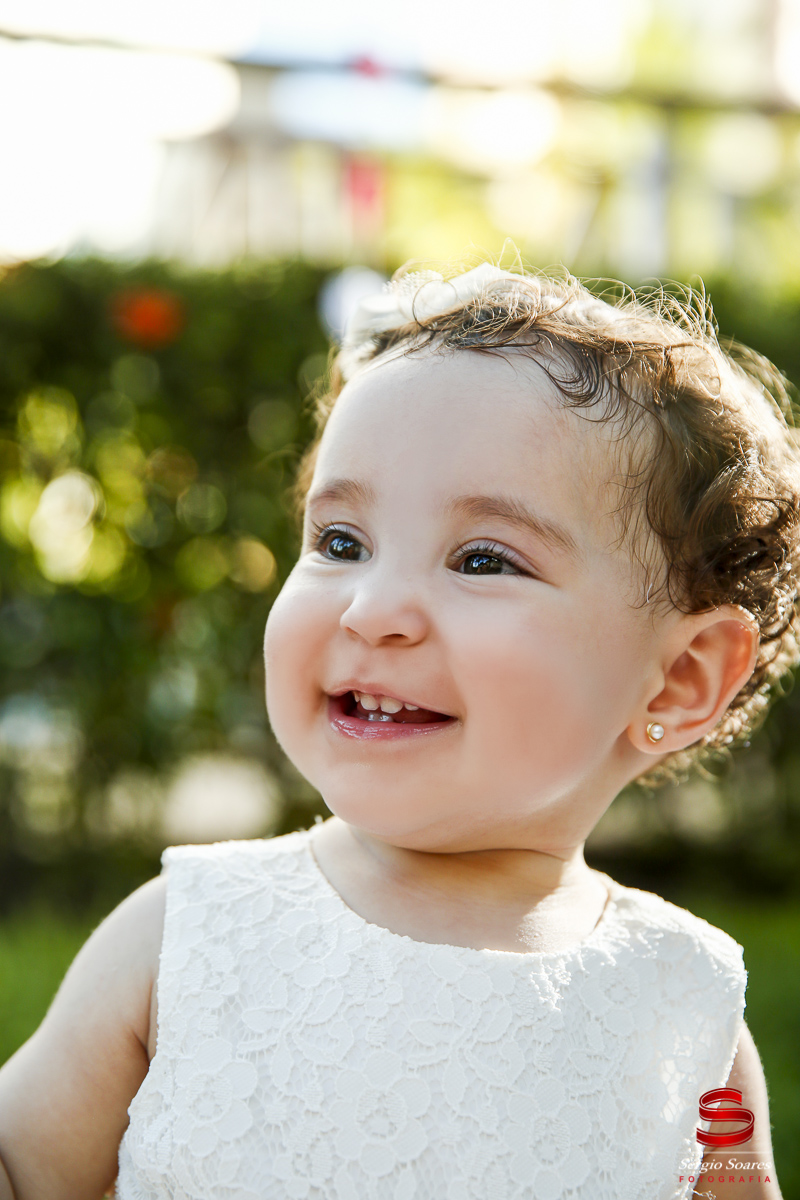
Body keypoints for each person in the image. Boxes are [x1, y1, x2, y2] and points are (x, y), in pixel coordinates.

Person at [0, 263, 792, 1200]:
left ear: (683, 674)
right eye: (341, 543)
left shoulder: (681, 1002)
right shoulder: (192, 934)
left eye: (484, 559)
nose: (374, 610)